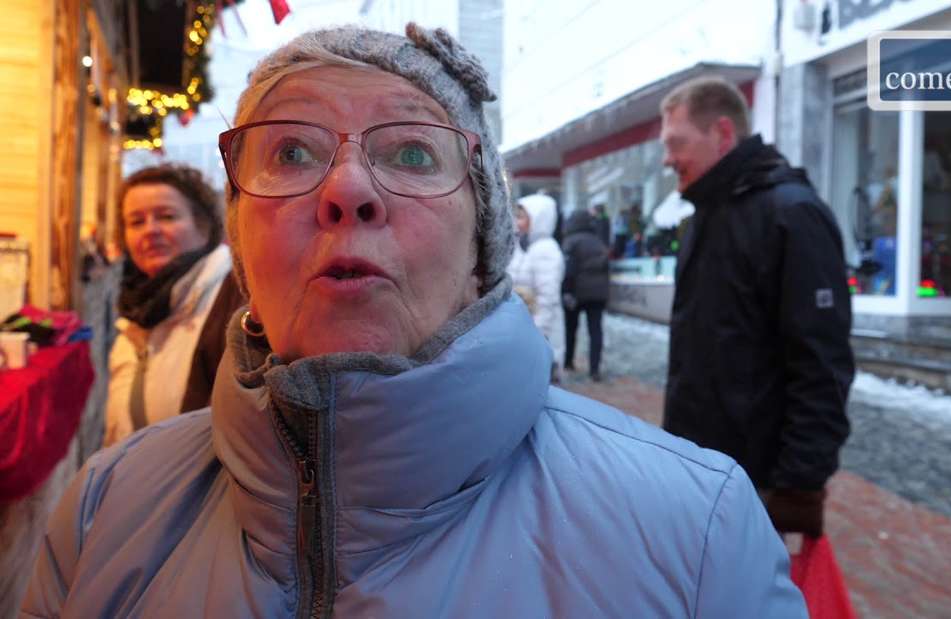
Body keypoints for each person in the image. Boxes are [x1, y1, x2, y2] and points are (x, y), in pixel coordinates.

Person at [21, 26, 806, 618]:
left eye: (413, 154)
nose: (347, 189)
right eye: (290, 152)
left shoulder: (696, 534)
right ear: (241, 243)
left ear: (481, 249)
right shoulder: (103, 510)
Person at [659, 76, 854, 539]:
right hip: (700, 472)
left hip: (757, 484)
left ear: (722, 133)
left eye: (677, 143)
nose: (667, 159)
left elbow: (821, 363)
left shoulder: (792, 214)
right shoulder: (704, 216)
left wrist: (799, 488)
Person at [103, 164, 245, 447]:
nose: (151, 230)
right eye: (136, 222)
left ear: (203, 226)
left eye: (167, 216)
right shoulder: (138, 309)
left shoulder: (232, 300)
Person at [509, 193, 565, 377]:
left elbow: (548, 297)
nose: (517, 222)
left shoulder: (545, 250)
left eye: (522, 217)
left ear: (539, 219)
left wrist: (539, 333)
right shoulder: (524, 245)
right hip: (526, 327)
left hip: (540, 331)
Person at [561, 208, 610, 381]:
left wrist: (567, 291)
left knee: (571, 328)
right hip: (598, 294)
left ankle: (568, 361)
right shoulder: (599, 241)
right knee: (595, 331)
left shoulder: (570, 241)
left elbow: (569, 270)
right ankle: (594, 369)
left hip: (576, 292)